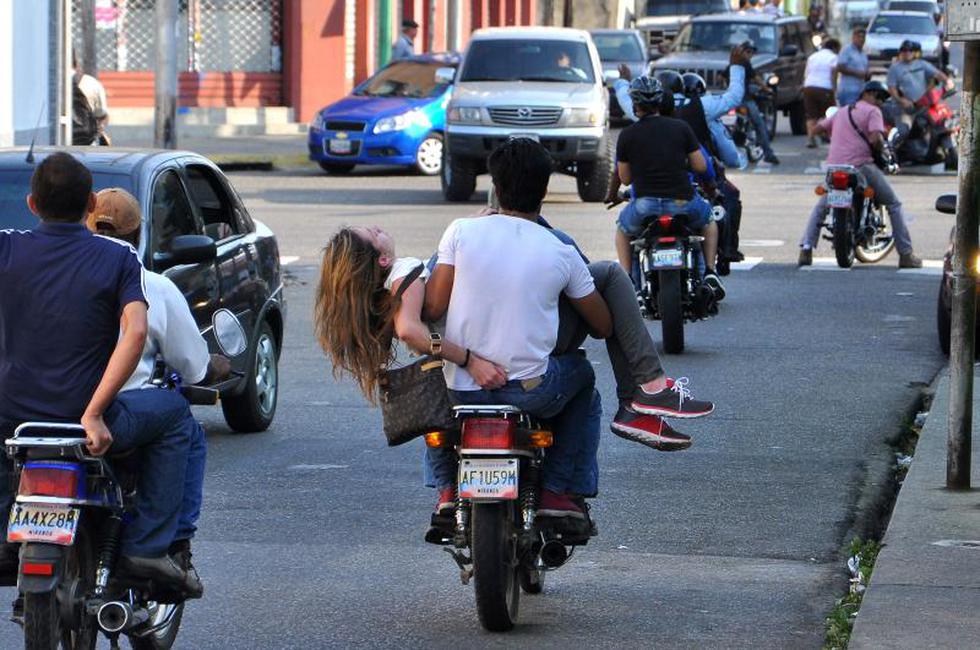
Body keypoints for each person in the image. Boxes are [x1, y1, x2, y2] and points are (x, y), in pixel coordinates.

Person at [0, 153, 201, 595]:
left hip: (11, 418)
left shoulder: (7, 246)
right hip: (85, 418)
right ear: (90, 203)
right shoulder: (118, 257)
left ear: (32, 204)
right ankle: (148, 546)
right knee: (175, 414)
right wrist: (93, 412)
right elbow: (136, 331)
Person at [86, 188, 231, 575]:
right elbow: (193, 366)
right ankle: (163, 544)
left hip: (38, 407)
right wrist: (211, 368)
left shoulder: (43, 275)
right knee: (180, 419)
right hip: (113, 412)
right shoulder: (152, 286)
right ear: (139, 235)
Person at [610, 76, 726, 299]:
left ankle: (629, 282)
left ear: (635, 104)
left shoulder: (627, 135)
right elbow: (701, 166)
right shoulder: (680, 128)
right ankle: (710, 271)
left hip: (644, 206)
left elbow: (624, 178)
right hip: (683, 202)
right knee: (709, 222)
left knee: (624, 231)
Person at [798, 81, 923, 269]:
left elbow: (815, 129)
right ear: (869, 94)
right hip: (860, 166)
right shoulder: (873, 112)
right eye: (880, 97)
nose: (881, 102)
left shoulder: (842, 111)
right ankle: (906, 254)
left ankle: (806, 249)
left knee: (822, 206)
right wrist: (883, 149)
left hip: (835, 167)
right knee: (894, 204)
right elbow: (875, 138)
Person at [887, 39, 952, 127]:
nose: (907, 53)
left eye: (910, 50)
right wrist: (901, 100)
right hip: (905, 107)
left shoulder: (922, 64)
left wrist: (948, 82)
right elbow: (892, 88)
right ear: (900, 52)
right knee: (904, 131)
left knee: (937, 124)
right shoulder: (895, 68)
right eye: (904, 50)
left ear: (914, 53)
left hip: (923, 105)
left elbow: (938, 74)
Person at [737, 40, 781, 164]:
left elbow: (722, 77)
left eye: (751, 52)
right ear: (743, 51)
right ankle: (768, 153)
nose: (750, 55)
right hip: (744, 100)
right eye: (748, 52)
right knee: (760, 125)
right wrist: (766, 88)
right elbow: (755, 78)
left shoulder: (733, 63)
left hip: (731, 100)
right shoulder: (745, 63)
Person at [804, 39, 841, 148]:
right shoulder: (833, 57)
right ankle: (826, 134)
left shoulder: (813, 56)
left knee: (811, 115)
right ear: (834, 48)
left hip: (809, 87)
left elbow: (807, 73)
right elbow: (834, 73)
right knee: (828, 113)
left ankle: (811, 138)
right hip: (825, 87)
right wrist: (834, 88)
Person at [72, 51, 110, 145]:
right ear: (75, 61)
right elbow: (101, 115)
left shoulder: (45, 82)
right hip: (85, 143)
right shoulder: (91, 83)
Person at [836, 28, 870, 107]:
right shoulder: (847, 50)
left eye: (863, 37)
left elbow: (865, 70)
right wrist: (857, 73)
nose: (861, 39)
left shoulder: (863, 53)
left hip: (860, 90)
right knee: (848, 115)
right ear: (853, 37)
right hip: (848, 90)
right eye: (859, 37)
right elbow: (840, 67)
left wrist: (867, 74)